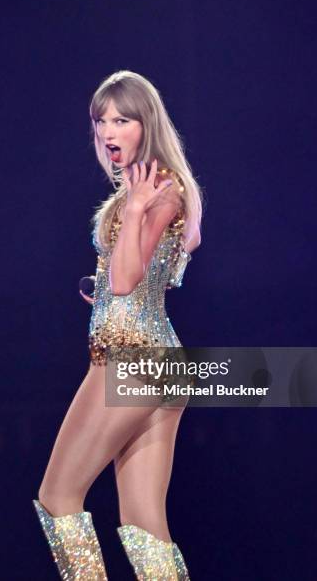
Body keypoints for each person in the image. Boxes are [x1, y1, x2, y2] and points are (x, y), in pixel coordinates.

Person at [32, 70, 202, 580]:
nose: (108, 131)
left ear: (145, 124)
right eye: (100, 120)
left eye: (121, 119)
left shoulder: (158, 192)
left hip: (131, 361)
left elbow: (127, 281)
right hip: (162, 363)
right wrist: (102, 289)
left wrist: (131, 212)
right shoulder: (159, 189)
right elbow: (159, 270)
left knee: (58, 496)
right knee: (144, 524)